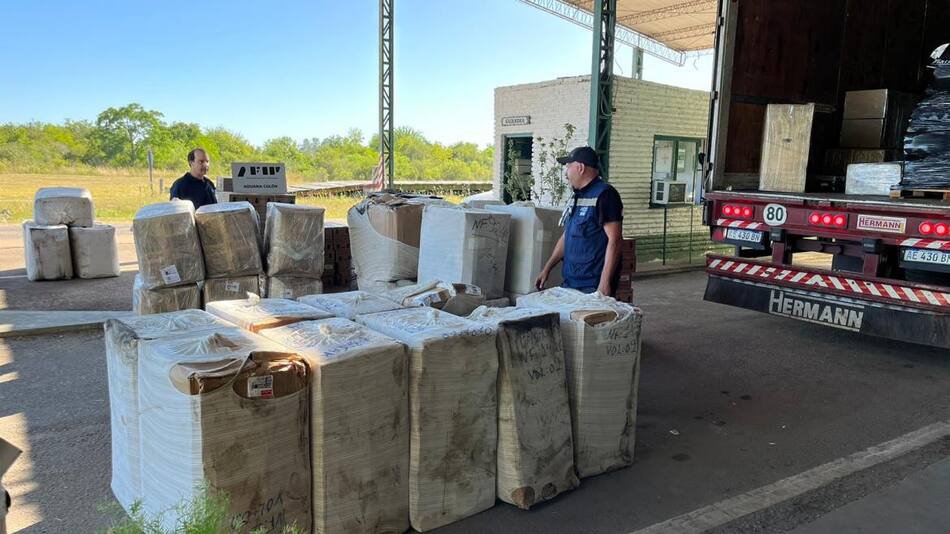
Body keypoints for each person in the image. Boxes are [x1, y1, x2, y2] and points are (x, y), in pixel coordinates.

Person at [535, 146, 624, 296]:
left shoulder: (605, 195)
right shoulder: (578, 196)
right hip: (571, 281)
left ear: (581, 168)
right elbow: (568, 235)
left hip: (592, 285)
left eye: (568, 166)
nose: (566, 173)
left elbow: (615, 240)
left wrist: (604, 282)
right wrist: (547, 268)